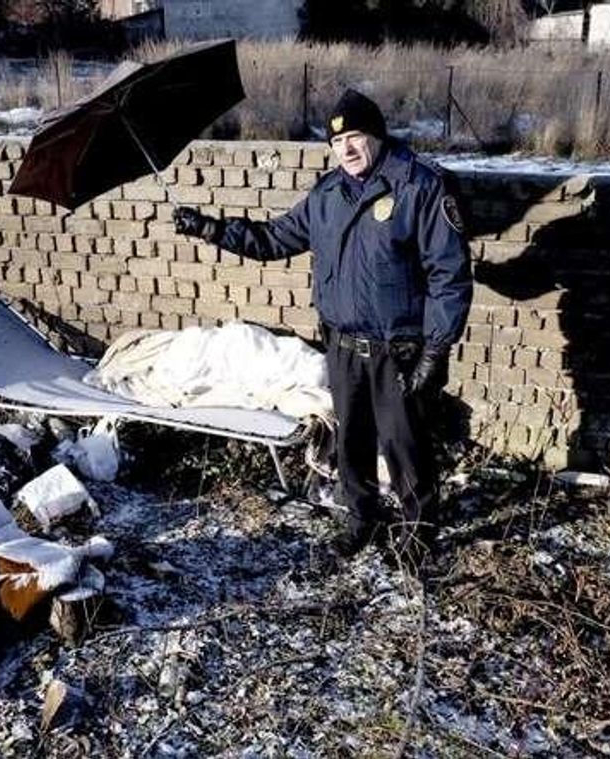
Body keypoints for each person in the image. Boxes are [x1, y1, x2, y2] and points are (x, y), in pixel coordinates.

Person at [173, 89, 472, 565]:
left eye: (355, 137)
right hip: (343, 347)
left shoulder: (420, 187)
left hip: (400, 349)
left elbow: (449, 275)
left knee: (404, 444)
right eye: (337, 143)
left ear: (376, 135)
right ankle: (362, 519)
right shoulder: (327, 195)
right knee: (350, 438)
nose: (346, 150)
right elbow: (273, 238)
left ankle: (419, 532)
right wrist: (211, 229)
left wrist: (436, 351)